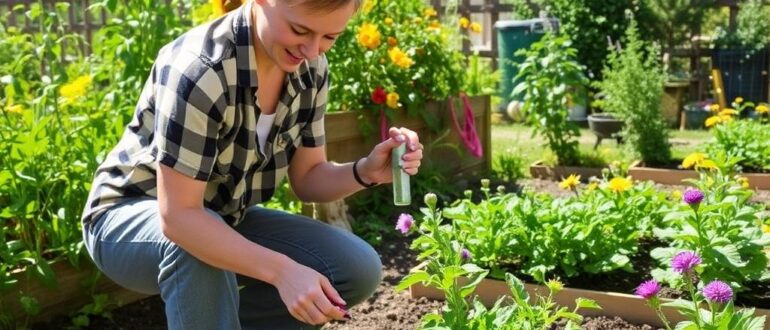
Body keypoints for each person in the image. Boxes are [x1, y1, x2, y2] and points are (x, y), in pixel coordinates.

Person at [80, 0, 423, 329]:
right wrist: (282, 271)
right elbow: (181, 219)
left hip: (222, 216)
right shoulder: (202, 68)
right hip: (129, 217)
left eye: (329, 37)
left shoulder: (311, 70)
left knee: (355, 267)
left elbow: (307, 177)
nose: (312, 49)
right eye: (300, 30)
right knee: (197, 250)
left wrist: (365, 171)